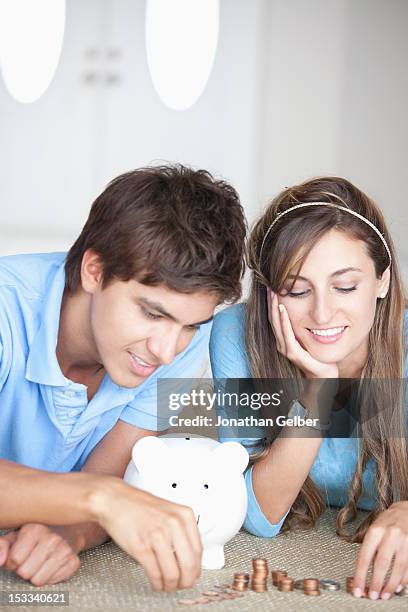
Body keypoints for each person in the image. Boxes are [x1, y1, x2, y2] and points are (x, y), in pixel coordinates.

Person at [0, 164, 246, 591]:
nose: (167, 351)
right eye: (152, 313)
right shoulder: (6, 313)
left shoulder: (186, 342)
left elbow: (110, 474)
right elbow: (107, 493)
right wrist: (102, 502)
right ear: (94, 271)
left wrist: (70, 533)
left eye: (190, 325)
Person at [210, 176, 408, 601]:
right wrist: (320, 388)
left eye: (346, 286)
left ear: (383, 281)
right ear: (268, 294)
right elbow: (260, 515)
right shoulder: (235, 334)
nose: (322, 313)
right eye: (297, 290)